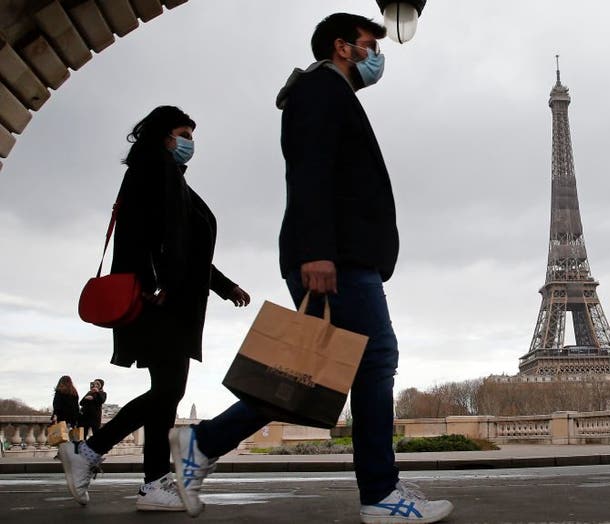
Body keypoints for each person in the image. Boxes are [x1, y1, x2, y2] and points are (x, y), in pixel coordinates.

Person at [167, 13, 453, 523]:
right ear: (343, 47)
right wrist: (317, 250)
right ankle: (380, 493)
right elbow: (311, 171)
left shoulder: (326, 93)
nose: (375, 56)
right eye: (369, 45)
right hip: (335, 258)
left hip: (340, 254)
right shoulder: (321, 90)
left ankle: (202, 445)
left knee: (309, 372)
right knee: (373, 359)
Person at [58, 106, 251, 512]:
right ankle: (89, 452)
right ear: (163, 136)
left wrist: (224, 285)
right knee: (167, 391)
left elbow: (189, 250)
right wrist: (156, 283)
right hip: (158, 301)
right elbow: (144, 238)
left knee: (168, 395)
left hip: (170, 299)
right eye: (184, 133)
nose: (190, 143)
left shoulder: (170, 177)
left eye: (192, 136)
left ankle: (151, 484)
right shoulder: (153, 171)